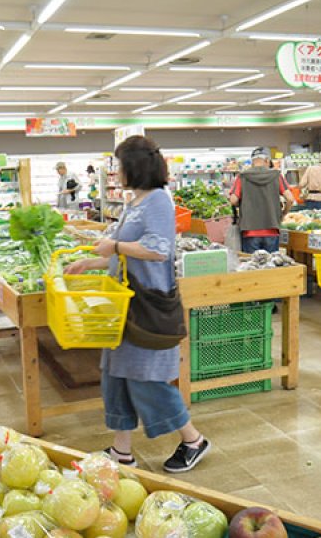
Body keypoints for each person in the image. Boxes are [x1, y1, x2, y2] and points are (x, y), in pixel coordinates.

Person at [66, 135, 210, 473]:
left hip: (147, 307)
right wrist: (92, 263)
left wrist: (113, 248)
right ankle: (121, 451)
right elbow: (128, 254)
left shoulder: (159, 201)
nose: (115, 173)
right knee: (115, 375)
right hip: (124, 307)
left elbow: (158, 249)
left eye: (119, 165)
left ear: (135, 166)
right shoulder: (135, 202)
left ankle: (194, 440)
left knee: (147, 380)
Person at [229, 147, 296, 253]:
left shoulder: (242, 177)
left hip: (249, 230)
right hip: (272, 229)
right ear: (267, 160)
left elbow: (233, 200)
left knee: (252, 266)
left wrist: (243, 203)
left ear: (252, 161)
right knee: (270, 266)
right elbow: (291, 199)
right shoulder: (276, 176)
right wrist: (283, 214)